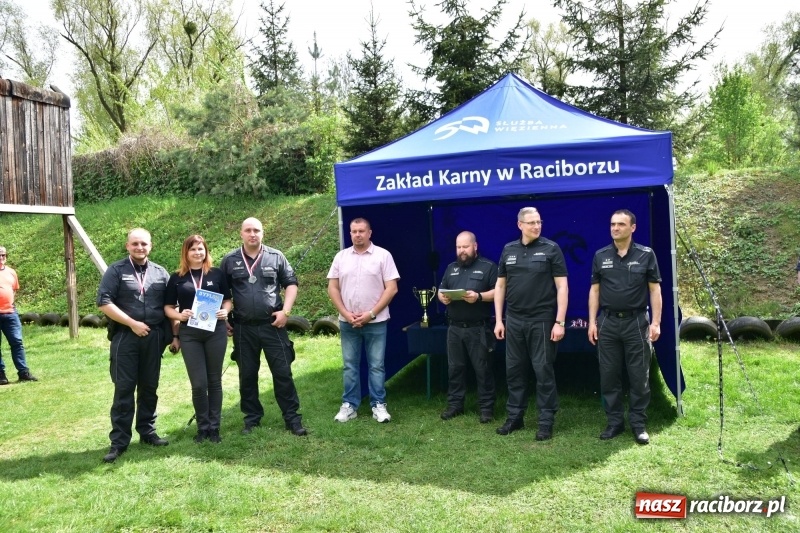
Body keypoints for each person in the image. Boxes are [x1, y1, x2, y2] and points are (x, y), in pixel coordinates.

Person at [220, 217, 307, 436]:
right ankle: (252, 419)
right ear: (241, 233)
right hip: (243, 328)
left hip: (273, 326)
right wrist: (224, 319)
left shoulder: (276, 257)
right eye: (248, 230)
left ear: (263, 233)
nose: (252, 234)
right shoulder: (229, 260)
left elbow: (291, 284)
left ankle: (292, 418)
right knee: (247, 375)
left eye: (256, 230)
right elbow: (223, 294)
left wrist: (285, 312)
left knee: (282, 372)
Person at [97, 229, 172, 463]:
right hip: (125, 337)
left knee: (150, 387)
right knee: (124, 389)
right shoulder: (116, 271)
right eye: (135, 244)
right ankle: (119, 441)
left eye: (144, 244)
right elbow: (104, 302)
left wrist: (175, 336)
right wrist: (132, 324)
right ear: (127, 246)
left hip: (154, 338)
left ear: (151, 246)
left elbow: (171, 306)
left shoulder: (161, 273)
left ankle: (148, 433)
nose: (140, 247)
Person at [588, 209, 662, 445]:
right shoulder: (600, 256)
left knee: (639, 375)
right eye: (612, 224)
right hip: (608, 322)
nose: (615, 228)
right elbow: (595, 291)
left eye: (621, 224)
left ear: (633, 228)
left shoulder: (646, 255)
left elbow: (655, 290)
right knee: (609, 375)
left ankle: (638, 424)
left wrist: (657, 322)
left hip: (636, 322)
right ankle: (614, 422)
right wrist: (592, 322)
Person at [494, 207, 568, 441]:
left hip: (542, 320)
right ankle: (515, 417)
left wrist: (560, 321)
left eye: (539, 222)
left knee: (543, 370)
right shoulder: (509, 250)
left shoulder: (551, 248)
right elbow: (500, 286)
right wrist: (499, 319)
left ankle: (546, 421)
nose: (536, 226)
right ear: (520, 225)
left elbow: (562, 287)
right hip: (514, 320)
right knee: (514, 370)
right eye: (531, 223)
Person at [327, 218, 399, 424]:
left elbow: (392, 288)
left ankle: (378, 404)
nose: (357, 235)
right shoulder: (341, 257)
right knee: (350, 365)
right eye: (353, 231)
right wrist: (345, 313)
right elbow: (332, 288)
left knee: (376, 365)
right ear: (349, 233)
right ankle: (350, 405)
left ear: (370, 233)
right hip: (347, 321)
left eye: (361, 231)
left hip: (376, 322)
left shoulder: (383, 256)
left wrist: (371, 314)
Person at [165, 235, 232, 444]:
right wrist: (179, 316)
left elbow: (228, 300)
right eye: (193, 249)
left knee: (214, 381)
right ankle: (202, 427)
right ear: (186, 253)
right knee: (198, 383)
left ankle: (215, 428)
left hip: (215, 332)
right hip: (190, 334)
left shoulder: (217, 274)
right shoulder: (177, 277)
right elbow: (167, 307)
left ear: (206, 251)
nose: (197, 253)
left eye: (201, 249)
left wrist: (225, 312)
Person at [437, 231, 498, 423]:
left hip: (478, 328)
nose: (462, 251)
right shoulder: (451, 268)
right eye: (458, 247)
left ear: (475, 246)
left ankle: (486, 408)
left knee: (483, 370)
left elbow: (499, 292)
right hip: (454, 328)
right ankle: (455, 405)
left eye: (465, 246)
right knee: (455, 368)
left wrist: (479, 296)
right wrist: (442, 297)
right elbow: (441, 289)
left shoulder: (488, 267)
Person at [0, 245, 38, 385]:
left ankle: (23, 373)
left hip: (10, 313)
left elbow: (14, 290)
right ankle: (1, 375)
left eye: (3, 255)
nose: (1, 258)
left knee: (17, 343)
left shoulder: (11, 272)